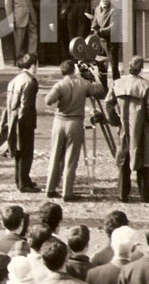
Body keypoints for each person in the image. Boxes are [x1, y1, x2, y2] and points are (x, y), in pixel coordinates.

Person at [44, 60, 106, 201]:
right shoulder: (82, 83)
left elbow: (48, 100)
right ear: (74, 69)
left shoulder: (60, 85)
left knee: (55, 156)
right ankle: (67, 192)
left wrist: (60, 99)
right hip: (75, 123)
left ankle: (50, 188)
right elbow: (100, 91)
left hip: (59, 122)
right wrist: (96, 76)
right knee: (71, 159)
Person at [104, 56, 149, 203]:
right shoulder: (147, 86)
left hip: (123, 126)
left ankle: (122, 193)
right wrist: (148, 124)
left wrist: (115, 120)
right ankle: (145, 194)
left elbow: (108, 103)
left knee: (123, 158)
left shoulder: (117, 83)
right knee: (142, 159)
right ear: (141, 68)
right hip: (140, 127)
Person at [0, 54, 41, 193]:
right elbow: (27, 105)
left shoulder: (15, 80)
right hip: (24, 120)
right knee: (26, 152)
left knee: (18, 151)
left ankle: (22, 179)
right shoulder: (30, 81)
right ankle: (23, 183)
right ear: (33, 65)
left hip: (13, 117)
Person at [4, 0, 39, 64]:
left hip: (31, 16)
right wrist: (11, 21)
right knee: (18, 41)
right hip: (19, 19)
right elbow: (8, 8)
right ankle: (18, 61)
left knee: (33, 37)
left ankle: (32, 59)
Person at [90, 0, 121, 82]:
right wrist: (94, 29)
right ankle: (104, 89)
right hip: (101, 42)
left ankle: (117, 89)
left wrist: (99, 31)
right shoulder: (97, 9)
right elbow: (94, 23)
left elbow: (112, 27)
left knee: (114, 67)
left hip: (112, 42)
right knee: (102, 67)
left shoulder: (114, 10)